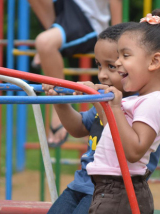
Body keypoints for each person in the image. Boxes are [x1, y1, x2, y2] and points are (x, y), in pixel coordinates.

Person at [85, 6, 160, 214]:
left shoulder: (155, 102)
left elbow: (133, 151)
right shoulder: (140, 101)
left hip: (120, 192)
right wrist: (98, 101)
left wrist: (114, 107)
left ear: (154, 61)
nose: (119, 61)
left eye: (126, 55)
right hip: (111, 190)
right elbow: (111, 130)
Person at [41, 22, 134, 214]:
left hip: (109, 190)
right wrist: (60, 102)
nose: (102, 75)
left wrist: (98, 101)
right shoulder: (106, 98)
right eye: (99, 65)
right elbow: (78, 128)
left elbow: (120, 142)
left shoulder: (136, 104)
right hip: (82, 183)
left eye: (111, 66)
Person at [28, 0, 122, 147]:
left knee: (44, 43)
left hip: (89, 22)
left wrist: (117, 42)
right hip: (65, 12)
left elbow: (115, 3)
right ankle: (51, 41)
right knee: (45, 43)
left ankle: (49, 46)